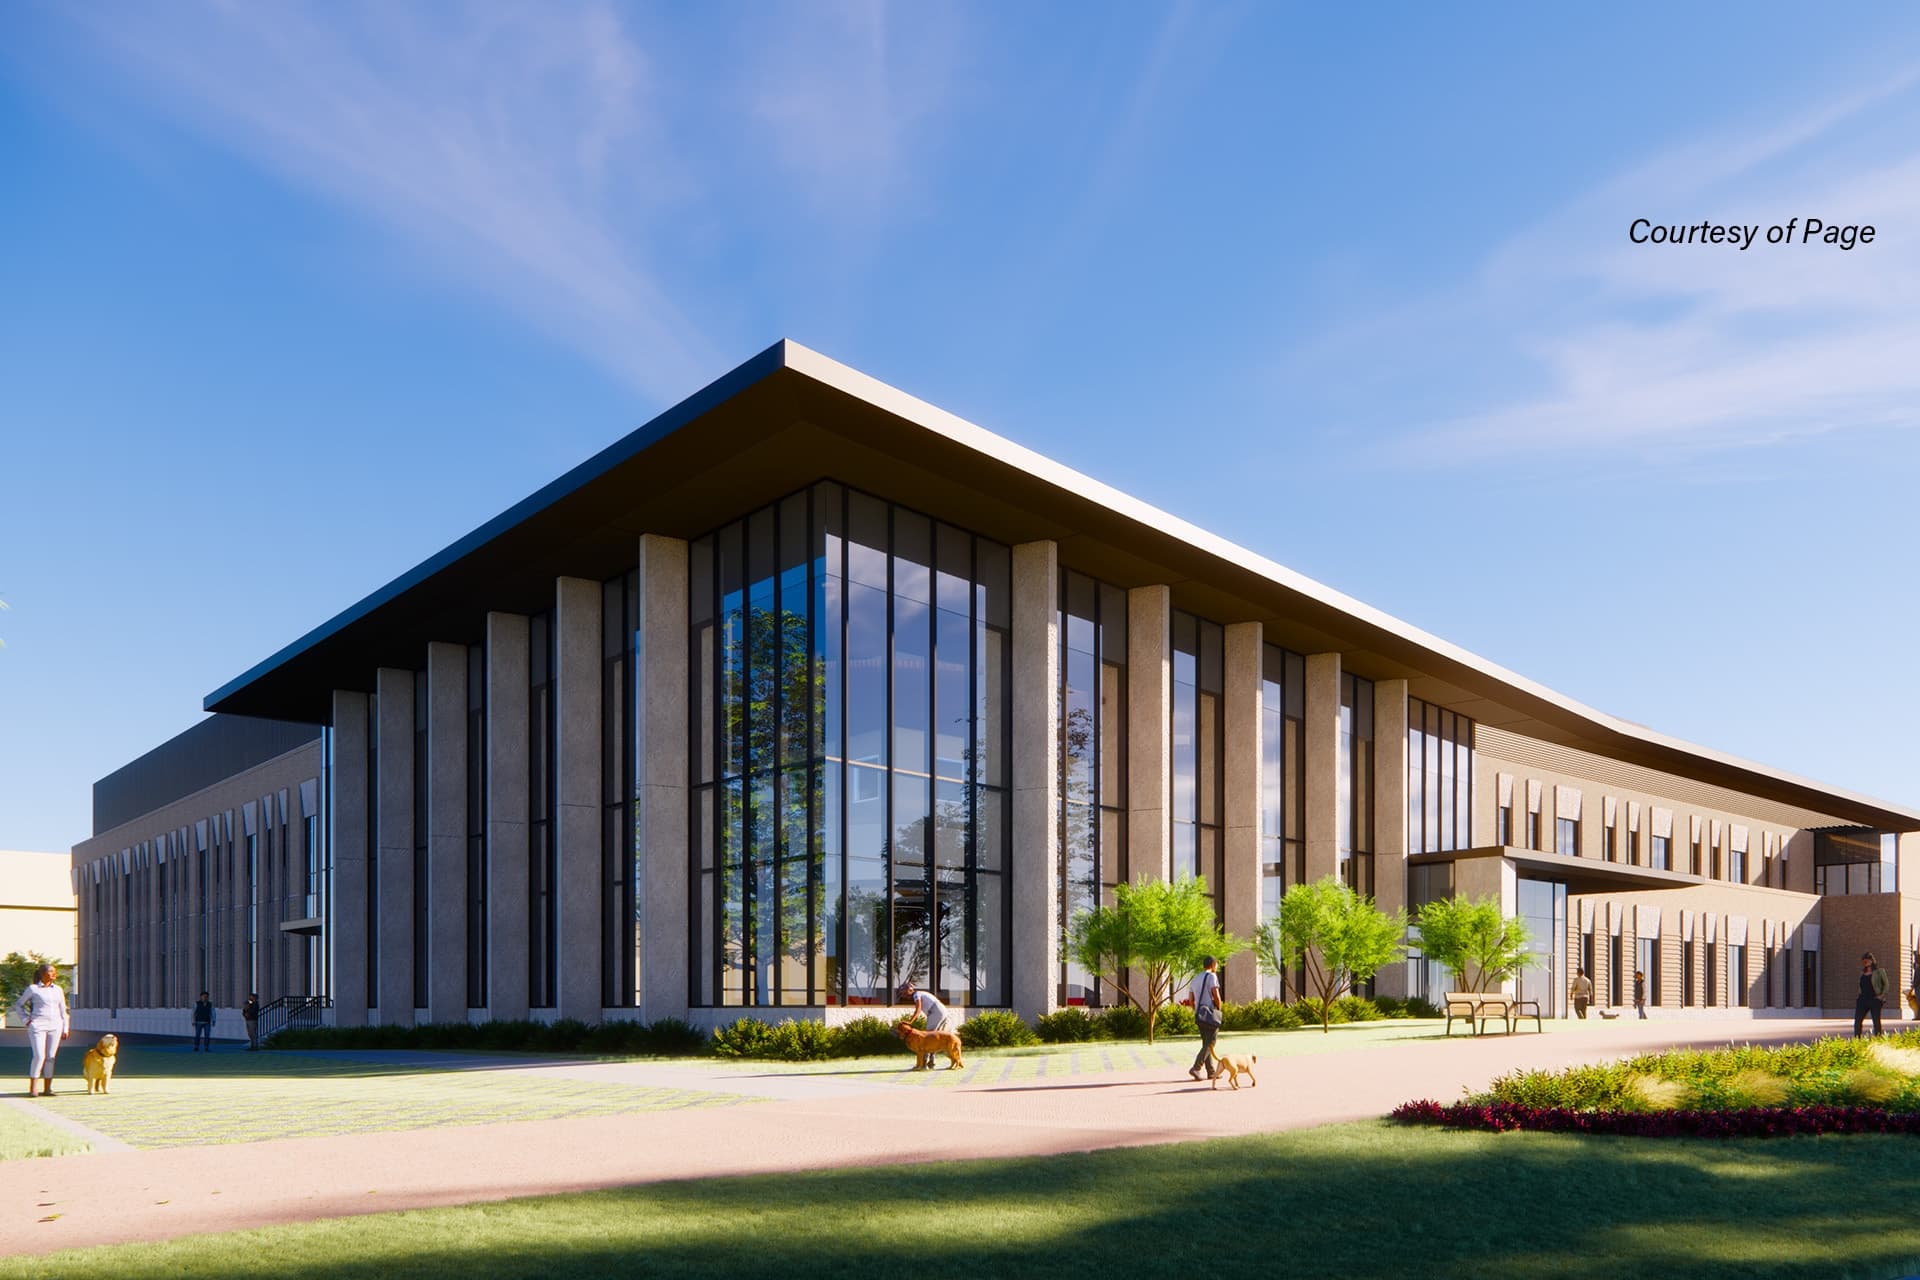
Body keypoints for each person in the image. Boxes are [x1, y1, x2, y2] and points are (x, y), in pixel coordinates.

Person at [14, 963, 70, 1097]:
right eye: (51, 971)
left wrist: (65, 1027)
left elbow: (63, 1010)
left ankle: (48, 1088)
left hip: (55, 1025)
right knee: (39, 1056)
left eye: (54, 971)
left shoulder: (58, 990)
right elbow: (19, 1005)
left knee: (51, 1057)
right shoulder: (33, 989)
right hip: (38, 1025)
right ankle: (33, 1087)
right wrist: (26, 1020)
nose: (54, 974)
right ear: (43, 974)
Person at [1188, 956, 1223, 1082]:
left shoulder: (1195, 978)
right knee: (1211, 1043)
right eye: (1217, 964)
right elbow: (1216, 995)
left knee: (1206, 1043)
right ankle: (1196, 1068)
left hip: (1199, 1014)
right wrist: (1219, 1009)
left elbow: (1191, 1000)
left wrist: (1196, 1010)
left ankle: (1211, 1072)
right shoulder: (1212, 976)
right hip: (1210, 1014)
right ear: (1213, 964)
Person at [1855, 952, 1888, 1037]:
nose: (1865, 963)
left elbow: (1886, 984)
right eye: (1863, 962)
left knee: (1876, 1021)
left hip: (1874, 999)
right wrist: (1859, 996)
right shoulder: (1862, 973)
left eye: (1866, 961)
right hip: (1863, 999)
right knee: (1857, 1021)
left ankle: (1878, 1039)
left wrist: (1881, 996)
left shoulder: (1879, 971)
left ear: (1871, 961)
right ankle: (1857, 1040)